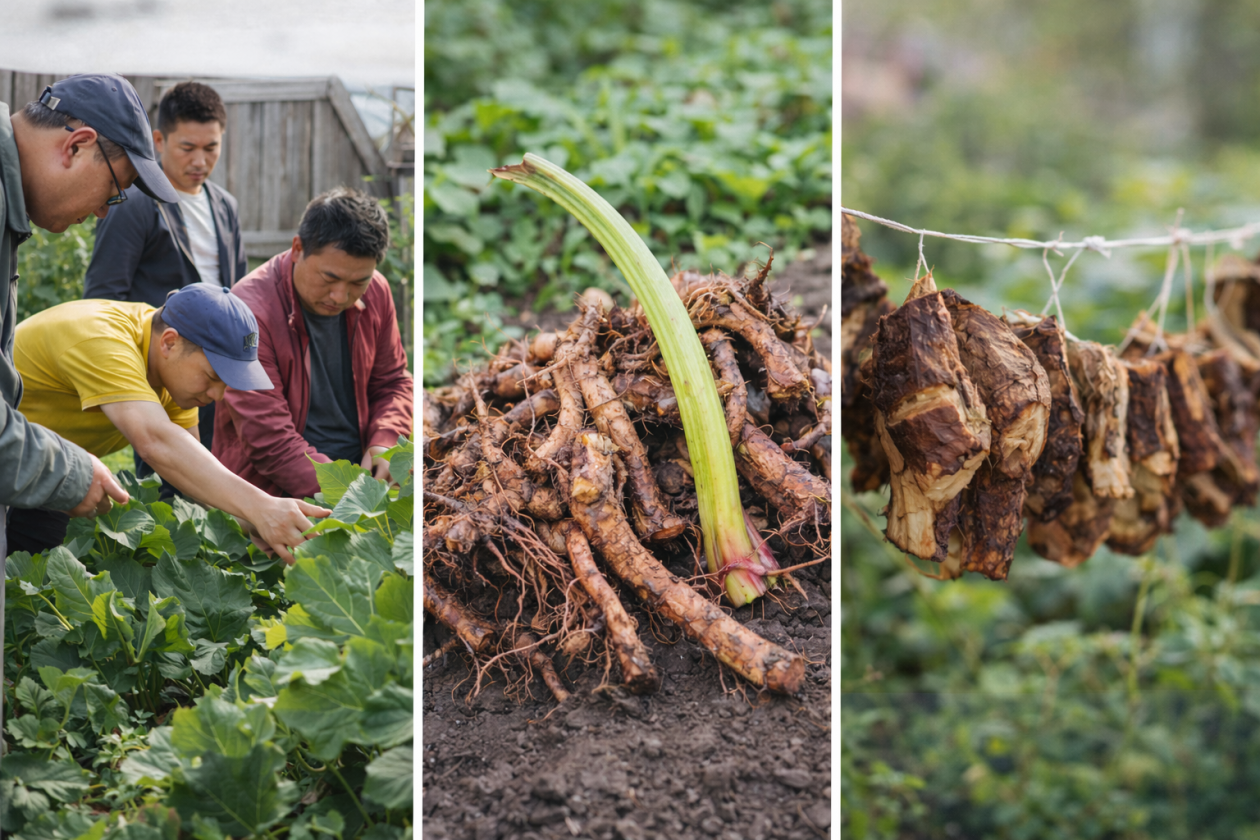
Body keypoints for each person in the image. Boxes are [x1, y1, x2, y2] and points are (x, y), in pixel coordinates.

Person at [8, 283, 328, 563]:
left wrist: (252, 521)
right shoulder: (101, 337)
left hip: (43, 468)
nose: (218, 395)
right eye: (212, 377)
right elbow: (156, 443)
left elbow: (189, 468)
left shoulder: (172, 374)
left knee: (34, 580)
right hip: (9, 451)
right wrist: (261, 506)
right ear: (170, 343)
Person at [83, 80, 247, 459]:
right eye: (187, 148)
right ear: (159, 140)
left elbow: (236, 293)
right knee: (164, 480)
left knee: (214, 469)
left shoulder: (226, 206)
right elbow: (103, 298)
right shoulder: (135, 202)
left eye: (211, 148)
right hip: (160, 370)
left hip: (215, 368)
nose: (200, 161)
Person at [214, 187, 413, 497]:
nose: (341, 296)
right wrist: (355, 496)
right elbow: (271, 442)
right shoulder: (248, 313)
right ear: (297, 249)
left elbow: (393, 381)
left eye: (357, 282)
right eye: (329, 278)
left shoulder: (377, 291)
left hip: (366, 476)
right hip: (274, 491)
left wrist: (386, 440)